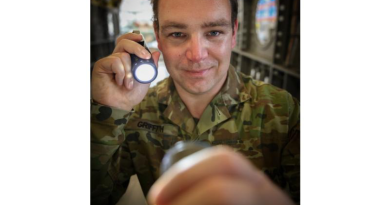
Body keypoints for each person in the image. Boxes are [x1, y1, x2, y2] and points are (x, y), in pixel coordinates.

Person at [91, 0, 300, 204]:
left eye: (214, 32)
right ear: (158, 37)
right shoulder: (134, 112)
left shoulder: (282, 110)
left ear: (234, 33)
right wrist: (106, 114)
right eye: (177, 34)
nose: (197, 55)